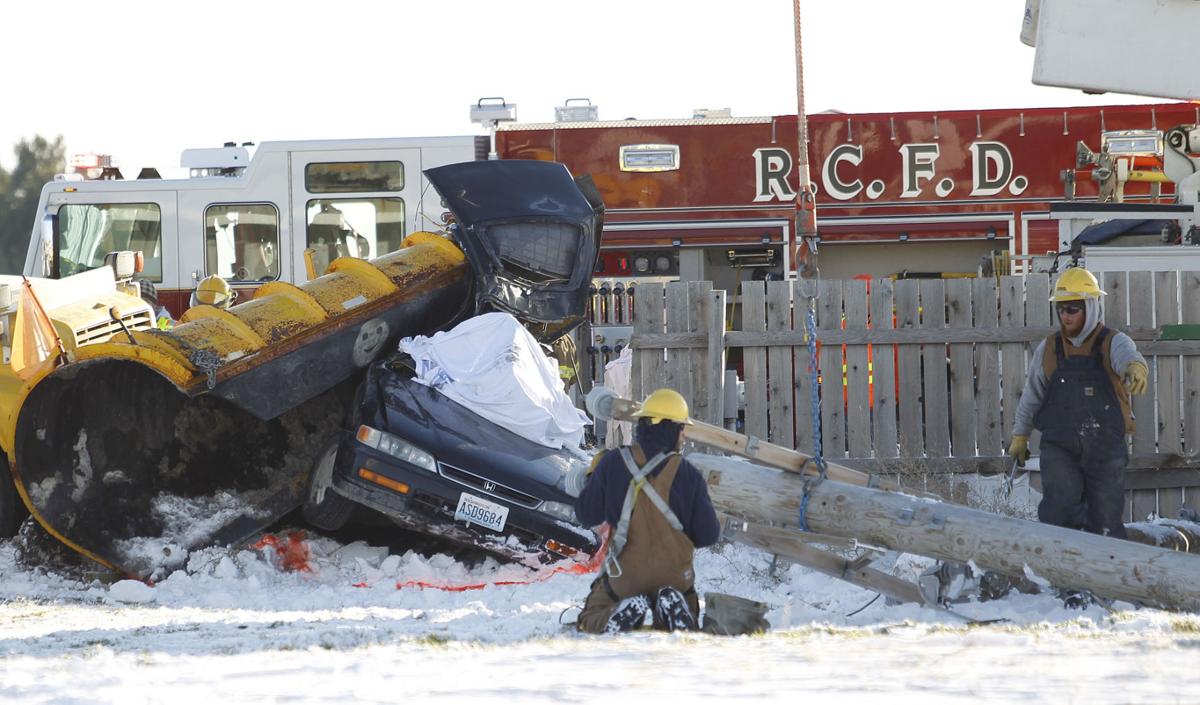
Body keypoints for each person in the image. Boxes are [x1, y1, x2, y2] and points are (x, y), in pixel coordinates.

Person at [1008, 267, 1148, 540]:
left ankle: (1104, 565)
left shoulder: (1113, 342)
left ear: (1090, 307)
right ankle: (1059, 565)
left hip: (1105, 447)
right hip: (1060, 446)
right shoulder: (1049, 348)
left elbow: (1128, 356)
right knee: (1059, 512)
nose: (1065, 315)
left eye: (1073, 308)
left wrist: (1135, 367)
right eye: (1061, 309)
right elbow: (1032, 394)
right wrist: (1020, 435)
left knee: (1104, 521)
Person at [574, 388, 721, 634]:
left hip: (625, 577)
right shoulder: (689, 474)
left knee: (589, 618)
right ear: (672, 429)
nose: (683, 436)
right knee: (684, 604)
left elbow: (586, 514)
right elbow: (709, 535)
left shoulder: (612, 463)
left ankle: (620, 611)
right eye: (681, 428)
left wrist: (594, 479)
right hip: (676, 577)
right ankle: (673, 606)